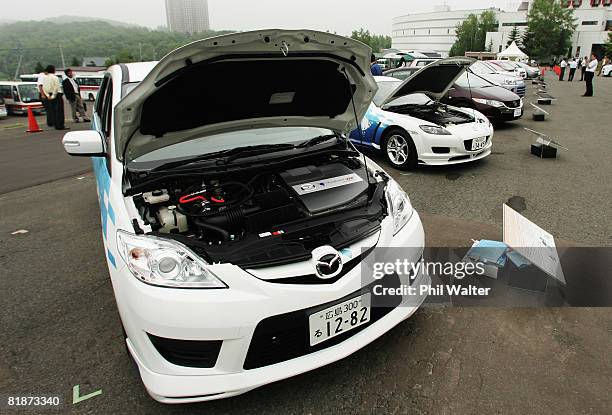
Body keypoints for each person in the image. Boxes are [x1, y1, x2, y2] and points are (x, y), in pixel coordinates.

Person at [42, 65, 68, 130]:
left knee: (53, 110)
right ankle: (60, 125)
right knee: (59, 110)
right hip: (57, 95)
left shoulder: (44, 78)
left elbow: (44, 88)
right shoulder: (55, 77)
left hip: (48, 95)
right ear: (53, 70)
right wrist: (53, 95)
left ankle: (55, 124)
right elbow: (56, 87)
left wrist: (48, 95)